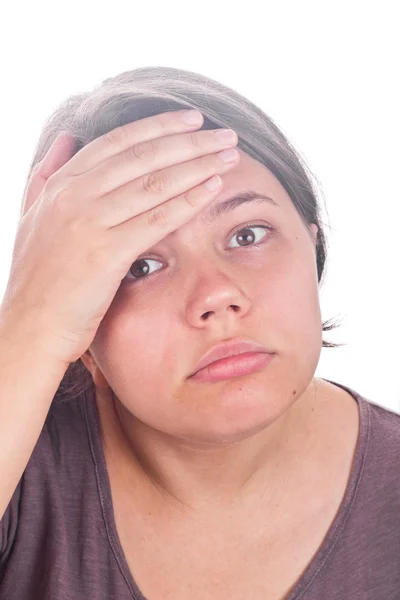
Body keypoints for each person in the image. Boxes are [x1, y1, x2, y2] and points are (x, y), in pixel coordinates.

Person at [0, 65, 399, 600]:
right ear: (82, 328)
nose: (215, 294)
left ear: (313, 248)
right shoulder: (22, 471)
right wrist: (33, 325)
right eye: (139, 267)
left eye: (247, 234)